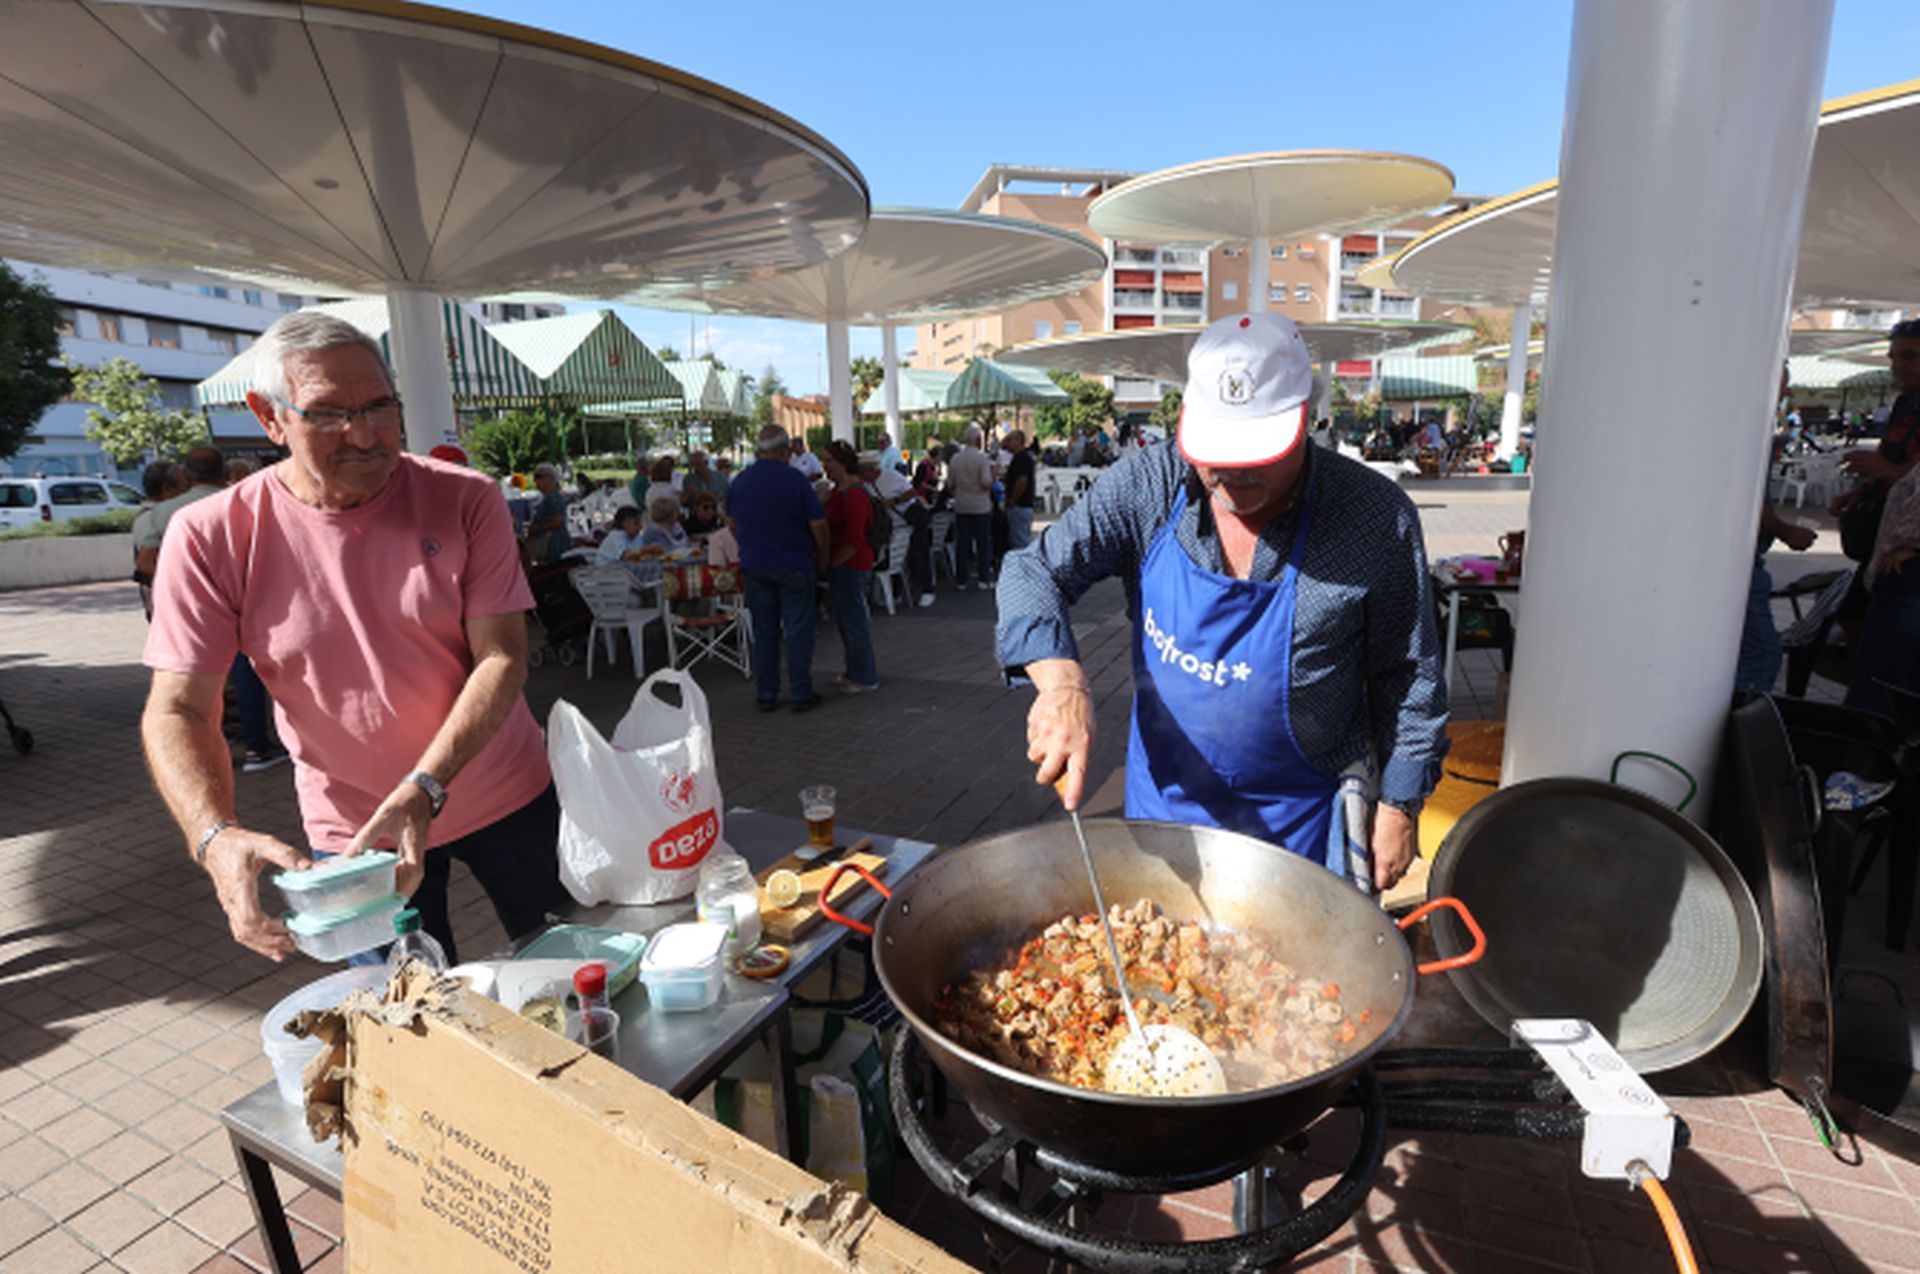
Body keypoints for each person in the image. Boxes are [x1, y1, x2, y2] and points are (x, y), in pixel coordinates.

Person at [141, 311, 568, 963]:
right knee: (404, 1007)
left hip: (507, 794)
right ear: (269, 417)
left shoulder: (465, 498)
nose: (365, 435)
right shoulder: (211, 535)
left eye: (379, 407)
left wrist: (425, 785)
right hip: (357, 832)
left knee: (574, 966)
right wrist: (213, 836)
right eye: (328, 414)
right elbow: (177, 709)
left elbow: (502, 656)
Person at [998, 312, 1447, 892]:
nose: (1232, 472)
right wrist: (1062, 685)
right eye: (1217, 451)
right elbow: (1033, 570)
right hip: (1166, 814)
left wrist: (1401, 805)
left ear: (1304, 420)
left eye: (1256, 453)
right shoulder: (1149, 484)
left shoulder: (1376, 518)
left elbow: (1408, 675)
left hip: (1302, 825)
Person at [1833, 320, 1920, 645]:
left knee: (1890, 636)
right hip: (1885, 534)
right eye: (1893, 356)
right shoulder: (1906, 403)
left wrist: (1887, 469)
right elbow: (1895, 462)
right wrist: (1863, 490)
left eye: (1909, 356)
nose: (1898, 365)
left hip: (1908, 547)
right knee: (1854, 616)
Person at [733, 427, 829, 712]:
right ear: (785, 451)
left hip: (755, 563)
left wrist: (749, 544)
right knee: (798, 630)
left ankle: (766, 693)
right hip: (794, 562)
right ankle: (800, 693)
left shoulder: (741, 481)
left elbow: (731, 520)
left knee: (764, 632)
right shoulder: (795, 480)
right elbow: (818, 524)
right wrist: (822, 557)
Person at [1846, 462, 1920, 717]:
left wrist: (1910, 546)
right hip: (1903, 574)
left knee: (1881, 684)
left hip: (1907, 576)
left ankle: (1869, 734)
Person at [822, 442, 881, 694]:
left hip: (851, 564)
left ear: (842, 463)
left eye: (829, 461)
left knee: (854, 621)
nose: (825, 466)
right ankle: (854, 671)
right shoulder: (837, 492)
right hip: (844, 562)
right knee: (847, 622)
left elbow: (854, 538)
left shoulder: (854, 495)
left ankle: (865, 675)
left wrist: (835, 562)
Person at [860, 450, 933, 606]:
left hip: (909, 521)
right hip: (891, 527)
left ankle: (927, 589)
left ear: (871, 469)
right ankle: (896, 593)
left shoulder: (892, 476)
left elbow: (912, 492)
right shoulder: (865, 485)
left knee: (919, 555)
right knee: (894, 559)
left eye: (862, 471)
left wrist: (894, 501)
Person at [131, 459, 187, 619]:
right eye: (185, 487)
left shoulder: (150, 516)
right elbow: (150, 564)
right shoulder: (152, 519)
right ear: (167, 489)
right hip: (167, 605)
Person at [949, 423, 996, 590]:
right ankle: (983, 579)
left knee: (962, 543)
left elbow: (950, 485)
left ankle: (961, 580)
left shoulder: (955, 458)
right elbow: (985, 483)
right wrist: (994, 477)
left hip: (961, 505)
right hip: (980, 506)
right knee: (983, 543)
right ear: (978, 440)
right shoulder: (982, 458)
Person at [526, 463, 572, 563]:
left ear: (550, 478)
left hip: (554, 545)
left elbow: (558, 522)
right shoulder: (549, 497)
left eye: (538, 477)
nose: (535, 481)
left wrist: (537, 528)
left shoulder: (554, 498)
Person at [1003, 430, 1037, 552]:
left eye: (1010, 440)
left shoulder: (1021, 458)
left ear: (1018, 441)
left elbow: (1022, 481)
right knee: (1021, 538)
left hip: (1020, 505)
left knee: (1020, 542)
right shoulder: (1022, 457)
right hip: (1023, 505)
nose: (1007, 443)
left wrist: (1013, 499)